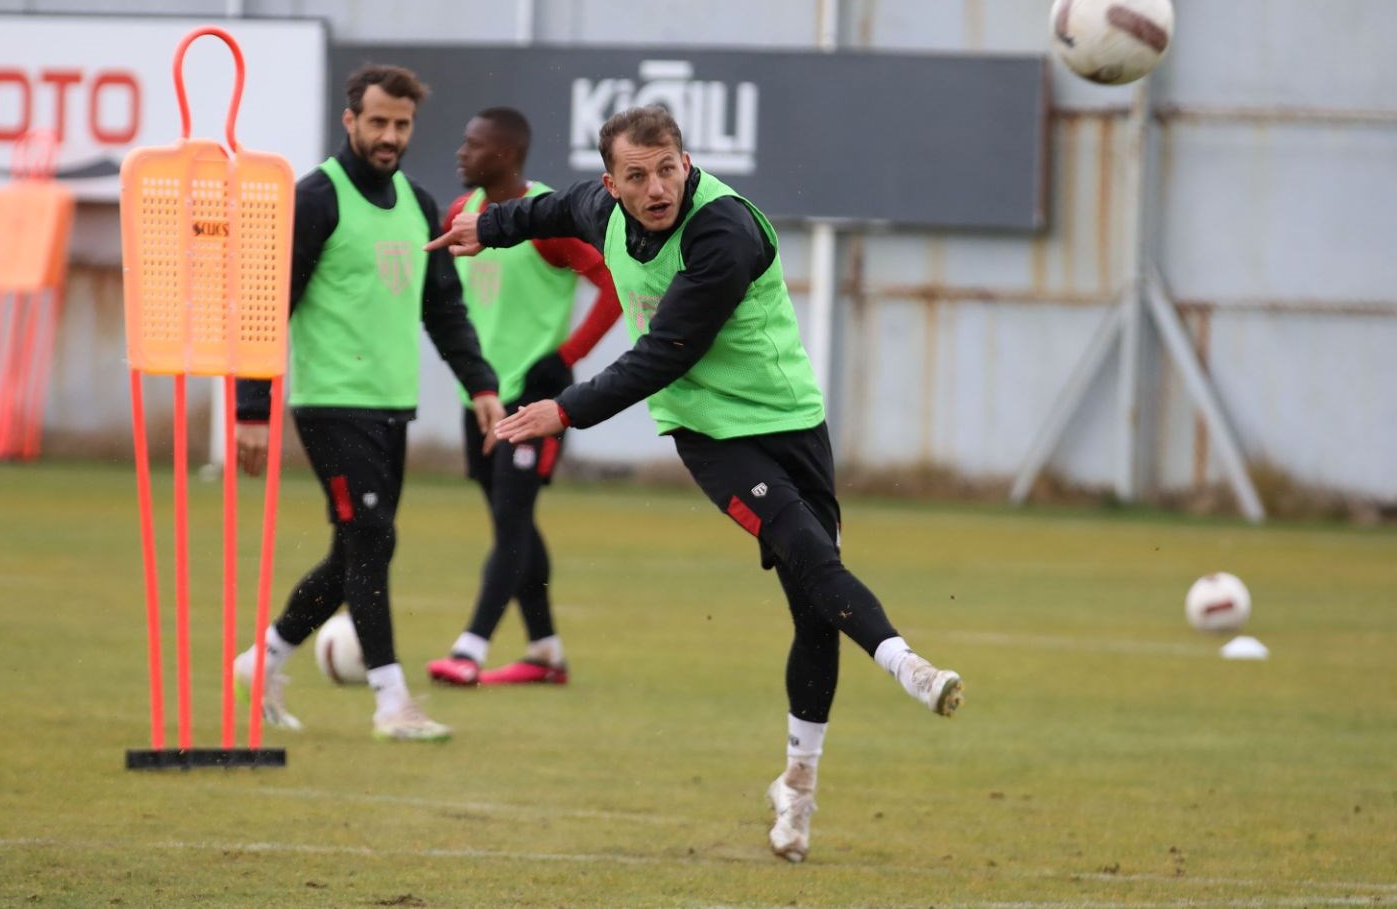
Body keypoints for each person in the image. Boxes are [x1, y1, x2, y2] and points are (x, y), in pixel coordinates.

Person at [428, 106, 965, 860]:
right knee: (805, 546)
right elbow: (545, 211)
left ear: (686, 162)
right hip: (709, 430)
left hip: (790, 420)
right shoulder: (596, 208)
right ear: (611, 184)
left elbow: (664, 351)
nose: (657, 188)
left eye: (667, 169)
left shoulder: (723, 232)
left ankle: (798, 784)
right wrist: (487, 228)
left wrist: (563, 408)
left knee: (816, 612)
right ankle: (907, 664)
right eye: (637, 175)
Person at [231, 64, 505, 744]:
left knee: (358, 547)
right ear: (350, 120)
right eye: (378, 121)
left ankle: (260, 661)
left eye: (401, 124)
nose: (389, 135)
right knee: (372, 541)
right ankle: (392, 701)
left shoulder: (418, 203)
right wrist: (251, 411)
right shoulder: (315, 199)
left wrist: (481, 384)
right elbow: (266, 306)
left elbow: (445, 308)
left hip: (391, 406)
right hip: (330, 403)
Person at [424, 107, 621, 688]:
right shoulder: (460, 214)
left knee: (512, 521)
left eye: (473, 144)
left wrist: (566, 357)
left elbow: (613, 285)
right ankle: (545, 652)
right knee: (513, 524)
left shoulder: (548, 219)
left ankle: (470, 648)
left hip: (535, 401)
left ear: (505, 155)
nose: (460, 152)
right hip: (482, 397)